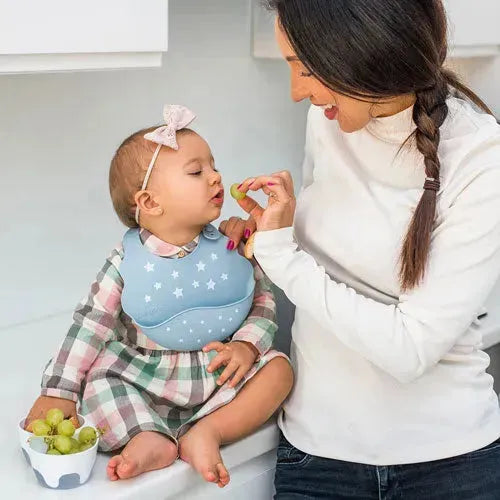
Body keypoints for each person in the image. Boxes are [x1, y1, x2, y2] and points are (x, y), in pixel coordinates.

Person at [221, 1, 500, 498]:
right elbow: (328, 259)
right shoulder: (329, 119)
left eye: (306, 69)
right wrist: (272, 232)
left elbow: (409, 349)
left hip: (448, 465)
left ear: (365, 57)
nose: (296, 92)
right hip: (315, 455)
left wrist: (283, 256)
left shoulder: (481, 155)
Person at [24, 105, 293, 488]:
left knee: (279, 371)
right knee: (98, 378)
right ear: (149, 203)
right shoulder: (124, 262)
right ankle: (147, 436)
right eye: (197, 171)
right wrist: (59, 392)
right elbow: (90, 325)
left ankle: (209, 431)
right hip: (144, 375)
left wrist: (248, 348)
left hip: (218, 371)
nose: (216, 176)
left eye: (213, 165)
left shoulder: (234, 242)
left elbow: (261, 300)